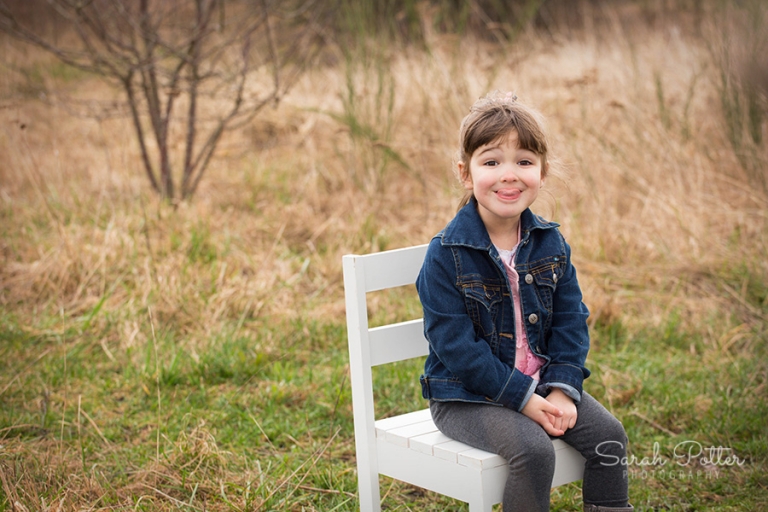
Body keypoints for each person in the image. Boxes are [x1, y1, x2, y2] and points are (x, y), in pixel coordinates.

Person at [416, 92, 633, 512]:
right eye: (492, 161)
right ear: (466, 173)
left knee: (610, 437)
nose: (509, 176)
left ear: (542, 171)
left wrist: (564, 390)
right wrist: (523, 397)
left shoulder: (551, 243)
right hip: (466, 398)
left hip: (544, 385)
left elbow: (571, 322)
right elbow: (457, 350)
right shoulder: (446, 254)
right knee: (533, 452)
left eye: (524, 162)